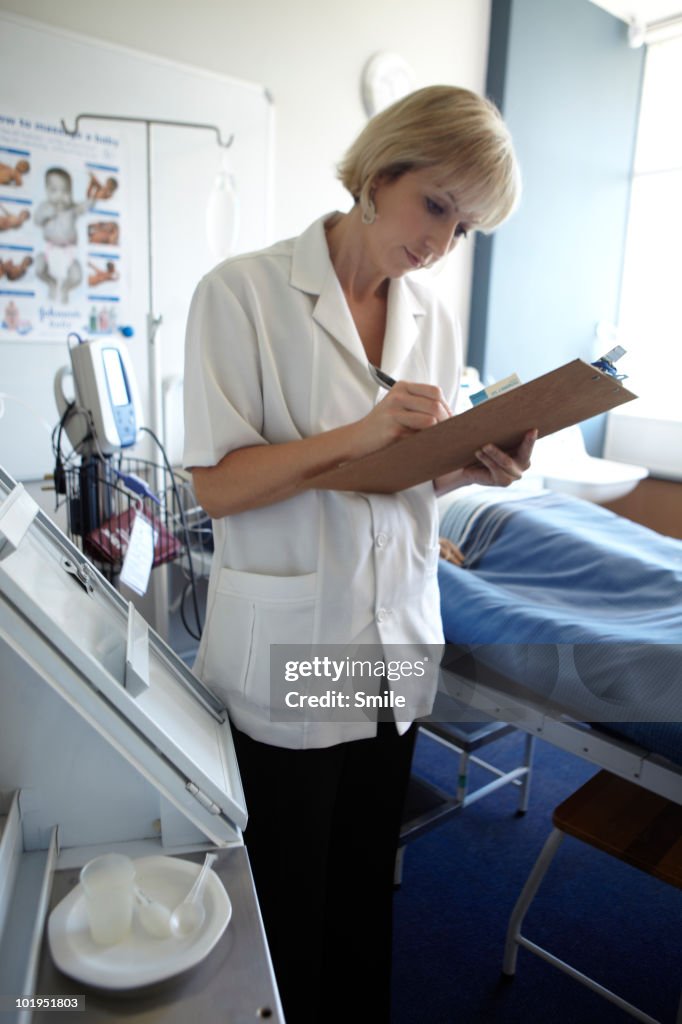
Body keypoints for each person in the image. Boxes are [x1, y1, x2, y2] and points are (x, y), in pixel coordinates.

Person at [183, 84, 536, 1024]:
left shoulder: (432, 319)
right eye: (435, 206)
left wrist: (469, 468)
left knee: (363, 898)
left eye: (464, 229)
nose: (439, 243)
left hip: (392, 647)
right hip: (301, 648)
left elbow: (400, 489)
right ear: (382, 171)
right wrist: (361, 433)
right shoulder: (244, 294)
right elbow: (215, 486)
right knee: (293, 900)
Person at [34, 167, 91, 303]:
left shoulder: (71, 208)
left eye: (65, 191)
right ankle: (51, 282)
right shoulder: (45, 206)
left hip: (68, 251)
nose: (60, 195)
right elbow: (37, 220)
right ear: (47, 191)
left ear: (70, 193)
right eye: (54, 190)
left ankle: (66, 288)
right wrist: (47, 214)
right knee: (38, 267)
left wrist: (92, 198)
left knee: (77, 276)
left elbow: (84, 207)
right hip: (50, 250)